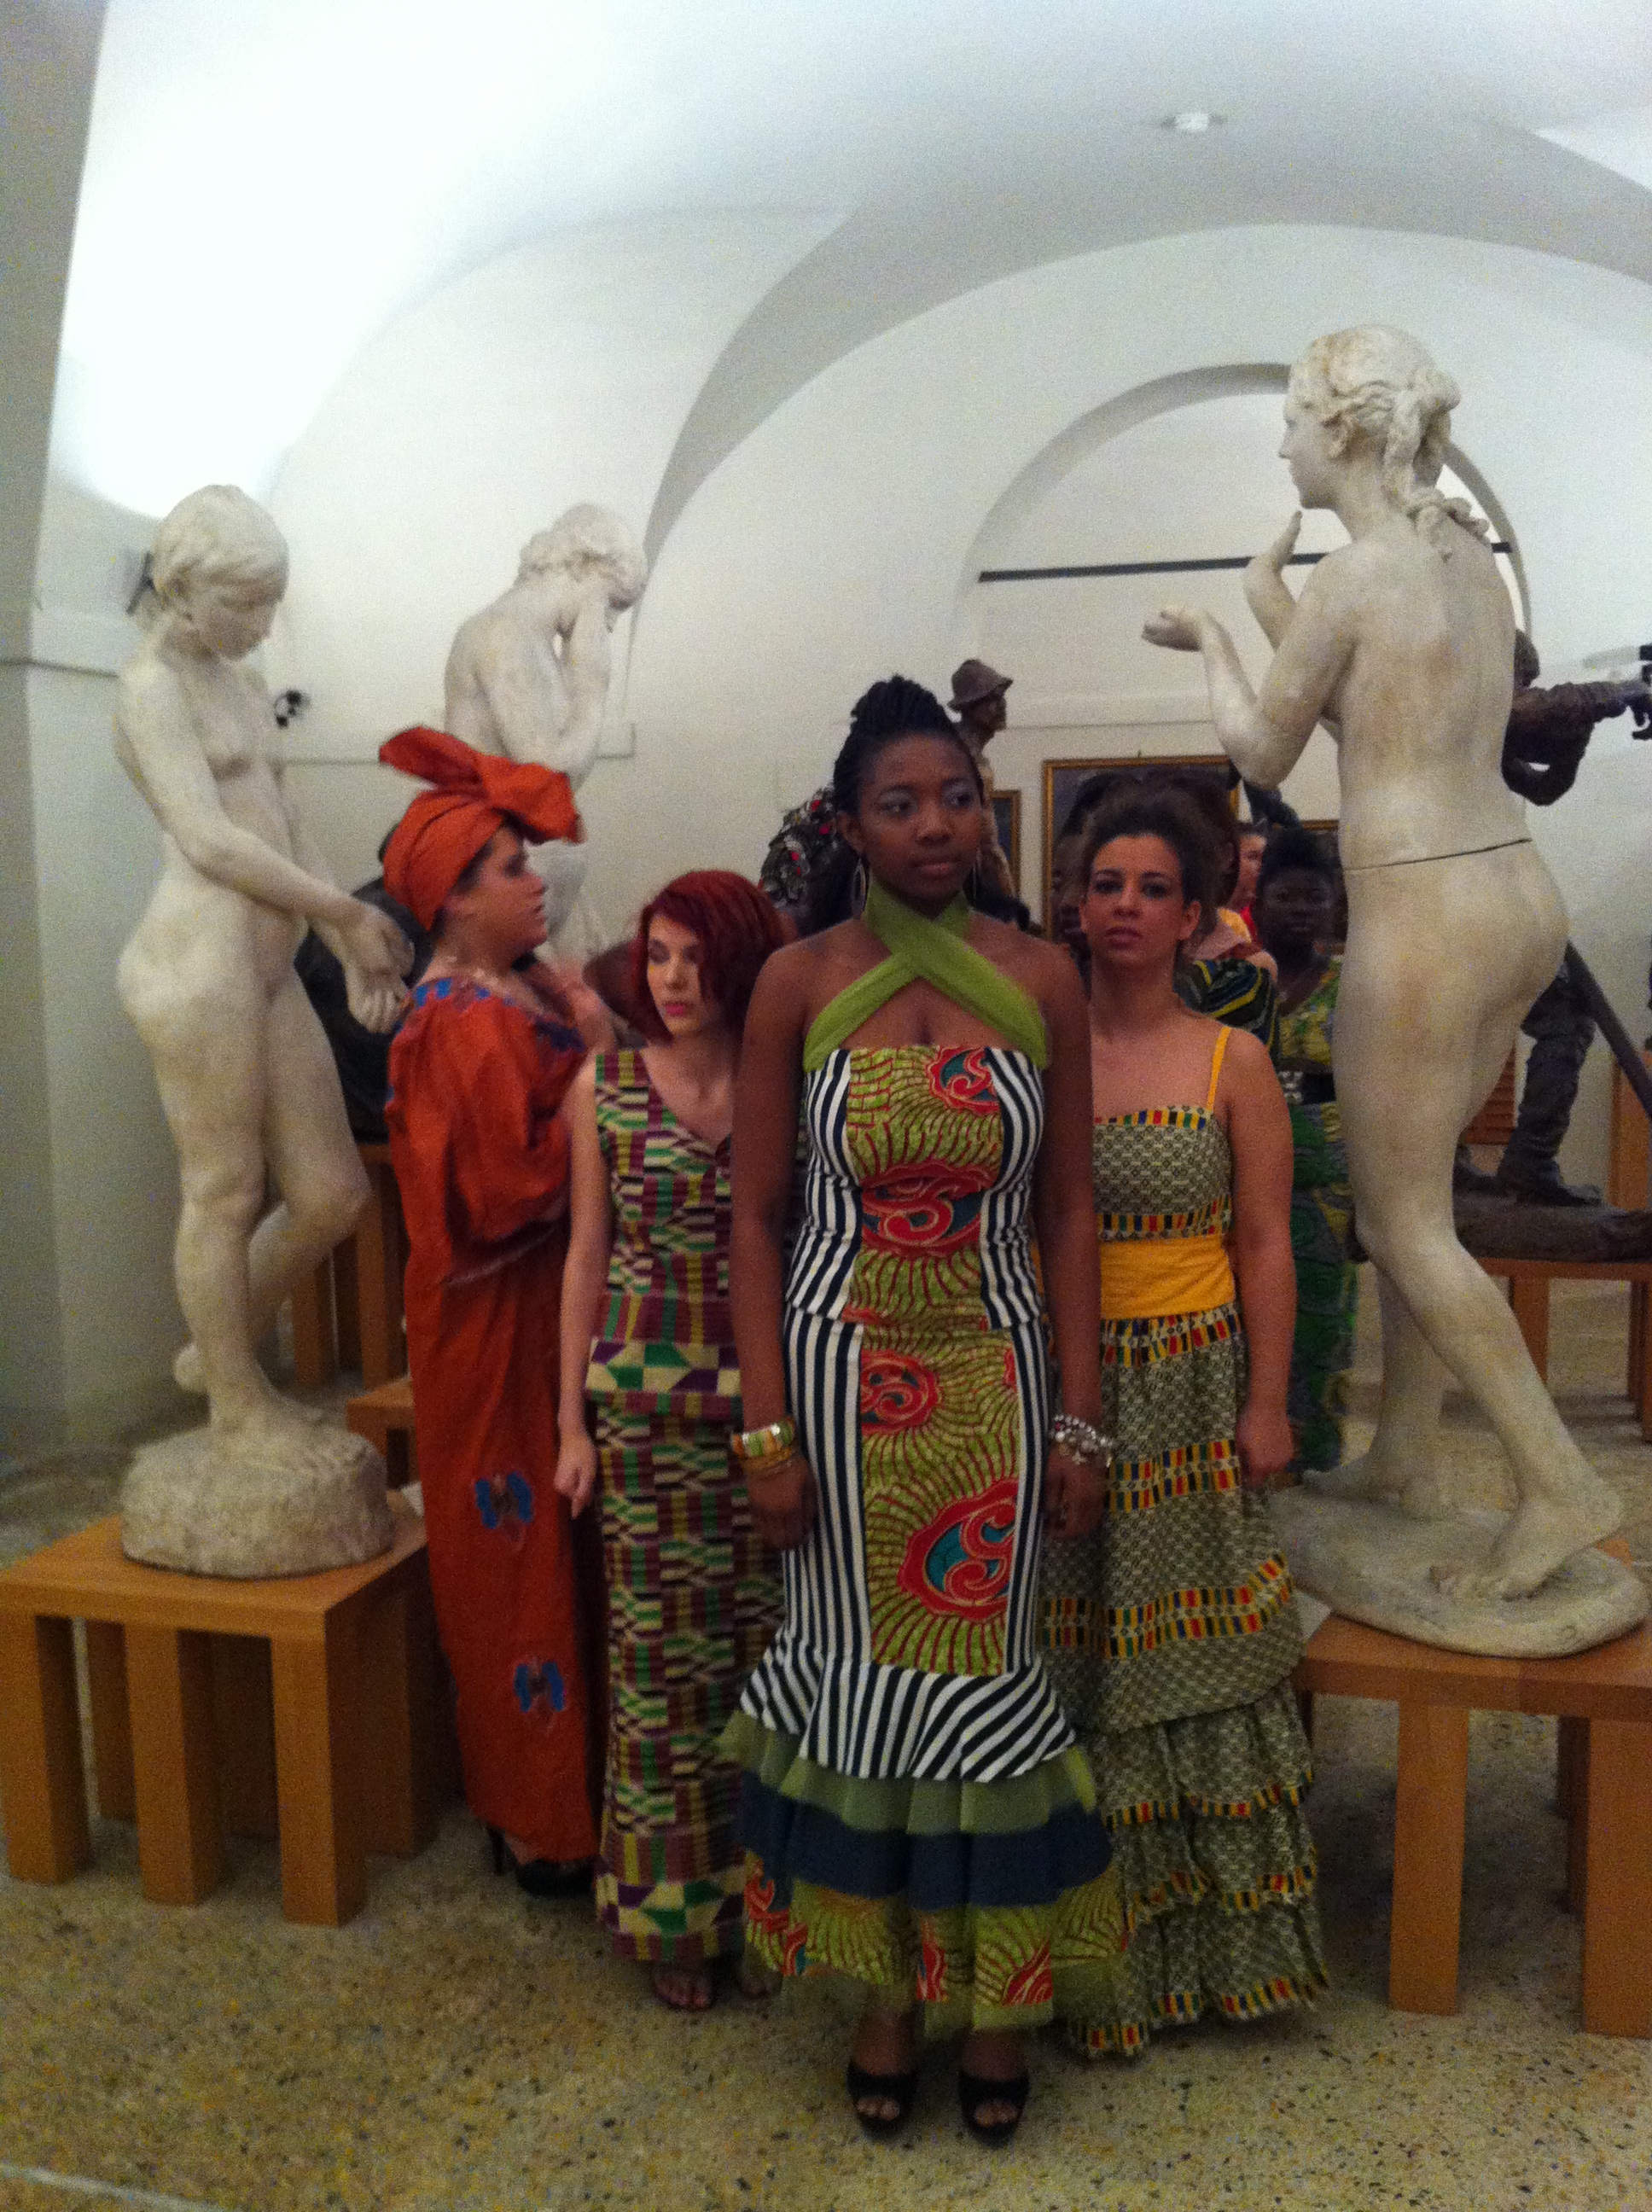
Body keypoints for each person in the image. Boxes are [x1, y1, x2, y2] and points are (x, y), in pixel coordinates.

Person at [1143, 323, 1624, 1600]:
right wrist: (1272, 597)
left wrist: (1215, 636)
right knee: (1424, 1204)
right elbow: (1378, 712)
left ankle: (1557, 1483)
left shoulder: (1358, 575)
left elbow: (1262, 751)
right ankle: (1407, 1452)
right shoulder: (1465, 558)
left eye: (1292, 424)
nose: (1283, 448)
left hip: (1424, 911)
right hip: (1514, 893)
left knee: (1398, 1218)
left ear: (1343, 429)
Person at [724, 676, 1122, 2146]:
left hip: (996, 1380)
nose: (936, 823)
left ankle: (997, 2005)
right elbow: (755, 1218)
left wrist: (1081, 1419)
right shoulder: (797, 980)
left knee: (987, 1685)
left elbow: (1069, 1212)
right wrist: (766, 1432)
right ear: (849, 825)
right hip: (837, 1387)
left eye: (956, 796)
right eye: (900, 803)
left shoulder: (1046, 975)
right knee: (859, 1690)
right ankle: (885, 1999)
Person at [1037, 783, 1324, 2053]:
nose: (1126, 908)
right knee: (1071, 1654)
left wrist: (1268, 1400)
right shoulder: (1033, 1052)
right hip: (1065, 1386)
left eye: (1154, 889)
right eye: (1107, 885)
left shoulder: (1233, 1060)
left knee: (1191, 1660)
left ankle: (1212, 1963)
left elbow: (1266, 1240)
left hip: (1196, 1384)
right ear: (1075, 902)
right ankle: (1080, 1968)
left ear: (1195, 912)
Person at [114, 486, 410, 1453]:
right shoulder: (150, 690)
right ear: (182, 585)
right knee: (226, 1191)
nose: (262, 623)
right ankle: (237, 1402)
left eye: (271, 602)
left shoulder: (242, 681)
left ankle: (219, 1347)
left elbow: (285, 824)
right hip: (197, 966)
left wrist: (345, 935)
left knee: (330, 1195)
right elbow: (209, 840)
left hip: (270, 968)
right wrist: (340, 912)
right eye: (245, 603)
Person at [380, 725, 611, 1893]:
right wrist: (591, 1086)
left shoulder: (510, 991)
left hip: (537, 1308)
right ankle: (533, 1818)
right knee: (513, 1566)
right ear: (456, 899)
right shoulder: (457, 1022)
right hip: (493, 1322)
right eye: (513, 870)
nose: (535, 885)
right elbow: (501, 1191)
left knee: (562, 1550)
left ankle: (572, 1798)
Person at [554, 870, 787, 2011]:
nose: (675, 979)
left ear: (740, 963)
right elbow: (586, 1255)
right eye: (657, 956)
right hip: (644, 1414)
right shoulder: (603, 1087)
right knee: (657, 1675)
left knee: (770, 1663)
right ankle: (673, 1919)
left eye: (696, 956)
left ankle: (774, 1906)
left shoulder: (786, 1086)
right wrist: (571, 1422)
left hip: (769, 1412)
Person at [1251, 829, 1358, 1472]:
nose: (1300, 909)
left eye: (1314, 898)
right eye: (1286, 896)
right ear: (1259, 901)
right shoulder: (1236, 978)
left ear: (1333, 905)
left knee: (1322, 1320)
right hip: (1242, 1172)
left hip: (1328, 1179)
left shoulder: (1354, 984)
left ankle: (1316, 1462)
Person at [947, 657, 1020, 908]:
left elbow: (989, 841)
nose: (1002, 706)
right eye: (992, 699)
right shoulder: (954, 754)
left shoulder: (977, 758)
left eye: (1002, 697)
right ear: (969, 707)